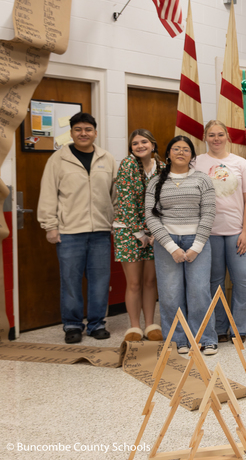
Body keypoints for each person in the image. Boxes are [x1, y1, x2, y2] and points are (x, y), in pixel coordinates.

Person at [38, 112, 116, 344]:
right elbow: (49, 194)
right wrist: (50, 226)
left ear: (95, 132)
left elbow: (115, 195)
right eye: (78, 129)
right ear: (71, 133)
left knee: (100, 280)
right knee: (70, 280)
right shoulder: (58, 159)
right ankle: (72, 325)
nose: (84, 133)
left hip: (101, 232)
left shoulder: (107, 158)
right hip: (69, 232)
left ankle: (96, 324)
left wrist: (114, 223)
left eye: (88, 129)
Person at [145, 136, 217, 354]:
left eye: (186, 149)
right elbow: (150, 216)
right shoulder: (156, 181)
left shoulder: (203, 180)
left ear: (192, 156)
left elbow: (209, 213)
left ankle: (205, 338)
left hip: (198, 242)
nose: (181, 152)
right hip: (167, 244)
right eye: (176, 148)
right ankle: (178, 340)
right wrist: (171, 247)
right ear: (168, 154)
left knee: (199, 291)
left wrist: (196, 247)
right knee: (169, 293)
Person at [195, 120, 246, 345]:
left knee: (242, 280)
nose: (216, 139)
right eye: (211, 135)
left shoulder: (240, 164)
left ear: (228, 136)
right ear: (205, 137)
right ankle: (219, 327)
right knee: (214, 282)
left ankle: (239, 328)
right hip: (208, 234)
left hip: (236, 233)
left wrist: (245, 231)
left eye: (220, 134)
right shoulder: (196, 163)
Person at [114, 129, 165, 342]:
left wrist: (155, 231)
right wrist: (138, 232)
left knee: (150, 281)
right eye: (135, 143)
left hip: (154, 231)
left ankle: (151, 324)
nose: (140, 146)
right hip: (127, 229)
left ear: (153, 145)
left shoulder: (163, 167)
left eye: (144, 142)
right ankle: (134, 327)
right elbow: (126, 201)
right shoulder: (127, 165)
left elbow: (164, 201)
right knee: (134, 282)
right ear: (131, 148)